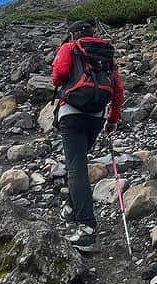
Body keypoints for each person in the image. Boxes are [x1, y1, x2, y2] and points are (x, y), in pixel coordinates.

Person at [50, 22, 124, 252]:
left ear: (73, 33)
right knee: (79, 164)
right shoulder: (106, 54)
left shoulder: (70, 47)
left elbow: (58, 75)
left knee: (76, 168)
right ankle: (72, 207)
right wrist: (112, 120)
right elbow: (118, 89)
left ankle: (87, 229)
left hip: (71, 114)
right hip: (96, 117)